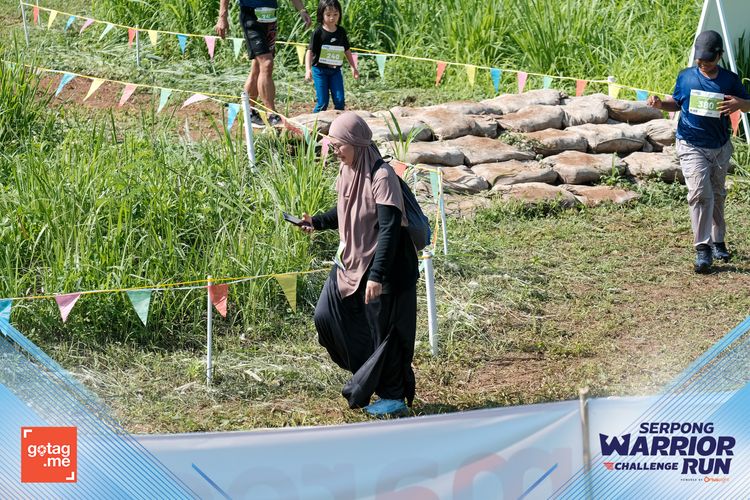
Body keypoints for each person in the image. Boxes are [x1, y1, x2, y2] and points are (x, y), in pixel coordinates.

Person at [297, 112, 419, 417]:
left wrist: (377, 275)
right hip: (351, 261)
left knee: (384, 333)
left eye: (340, 145)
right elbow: (346, 209)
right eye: (333, 144)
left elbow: (389, 229)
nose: (335, 150)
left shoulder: (382, 176)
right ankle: (370, 375)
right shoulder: (347, 170)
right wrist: (317, 222)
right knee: (326, 317)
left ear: (357, 143)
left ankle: (393, 397)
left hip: (386, 267)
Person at [647, 30, 750, 273]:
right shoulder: (686, 77)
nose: (703, 64)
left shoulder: (730, 80)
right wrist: (661, 104)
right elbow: (677, 102)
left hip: (720, 147)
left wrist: (740, 104)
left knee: (717, 194)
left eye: (708, 61)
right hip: (690, 144)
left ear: (719, 56)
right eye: (700, 60)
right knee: (700, 193)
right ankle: (703, 249)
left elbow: (748, 105)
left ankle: (718, 241)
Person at [215, 0, 312, 127]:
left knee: (257, 67)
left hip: (270, 18)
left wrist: (302, 10)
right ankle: (271, 114)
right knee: (267, 63)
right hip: (251, 17)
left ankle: (248, 112)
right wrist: (222, 17)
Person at [304, 0, 359, 113]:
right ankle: (313, 122)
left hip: (335, 71)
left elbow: (347, 50)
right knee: (323, 102)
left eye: (335, 14)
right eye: (328, 15)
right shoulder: (318, 32)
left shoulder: (341, 32)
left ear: (340, 14)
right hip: (320, 70)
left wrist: (353, 67)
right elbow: (310, 51)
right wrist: (308, 70)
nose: (332, 18)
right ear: (321, 14)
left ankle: (339, 122)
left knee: (340, 100)